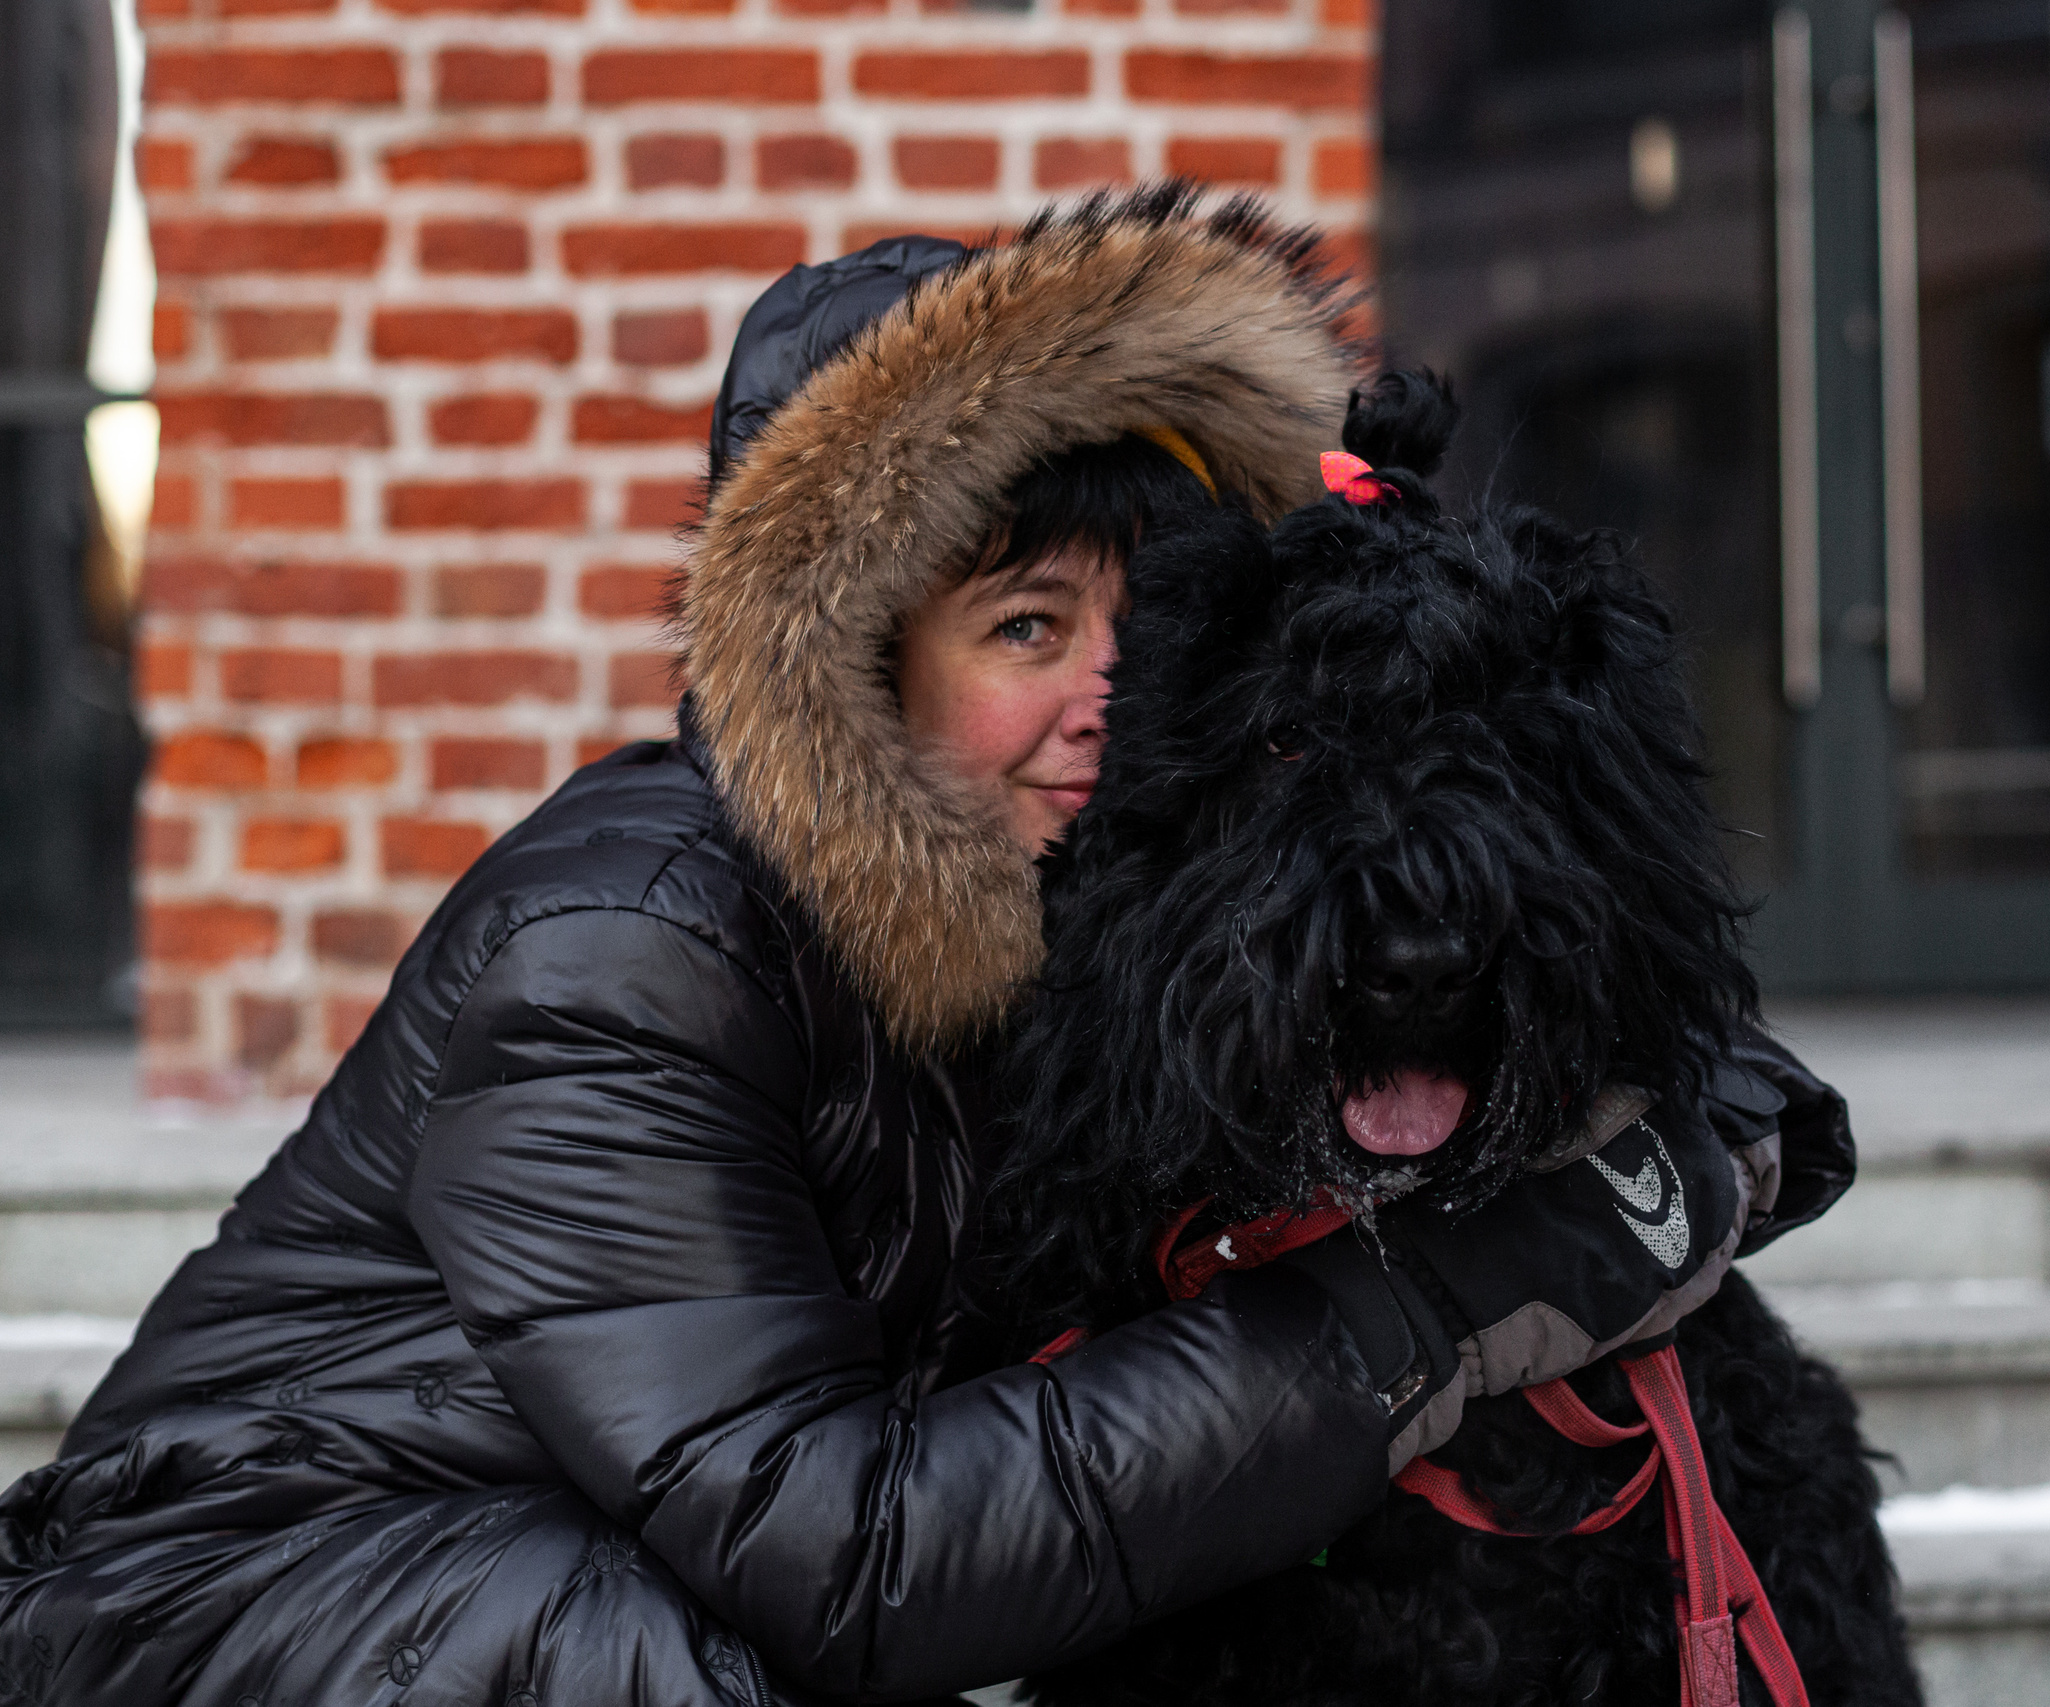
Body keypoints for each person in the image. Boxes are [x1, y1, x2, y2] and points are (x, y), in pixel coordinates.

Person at [0, 190, 1741, 1706]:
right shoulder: (627, 948)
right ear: (852, 666)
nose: (1108, 706)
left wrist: (1681, 1129)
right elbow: (848, 1552)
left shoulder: (1094, 906)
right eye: (1028, 626)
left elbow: (1608, 1030)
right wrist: (1422, 1307)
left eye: (1160, 633)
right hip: (245, 1602)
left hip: (643, 1582)